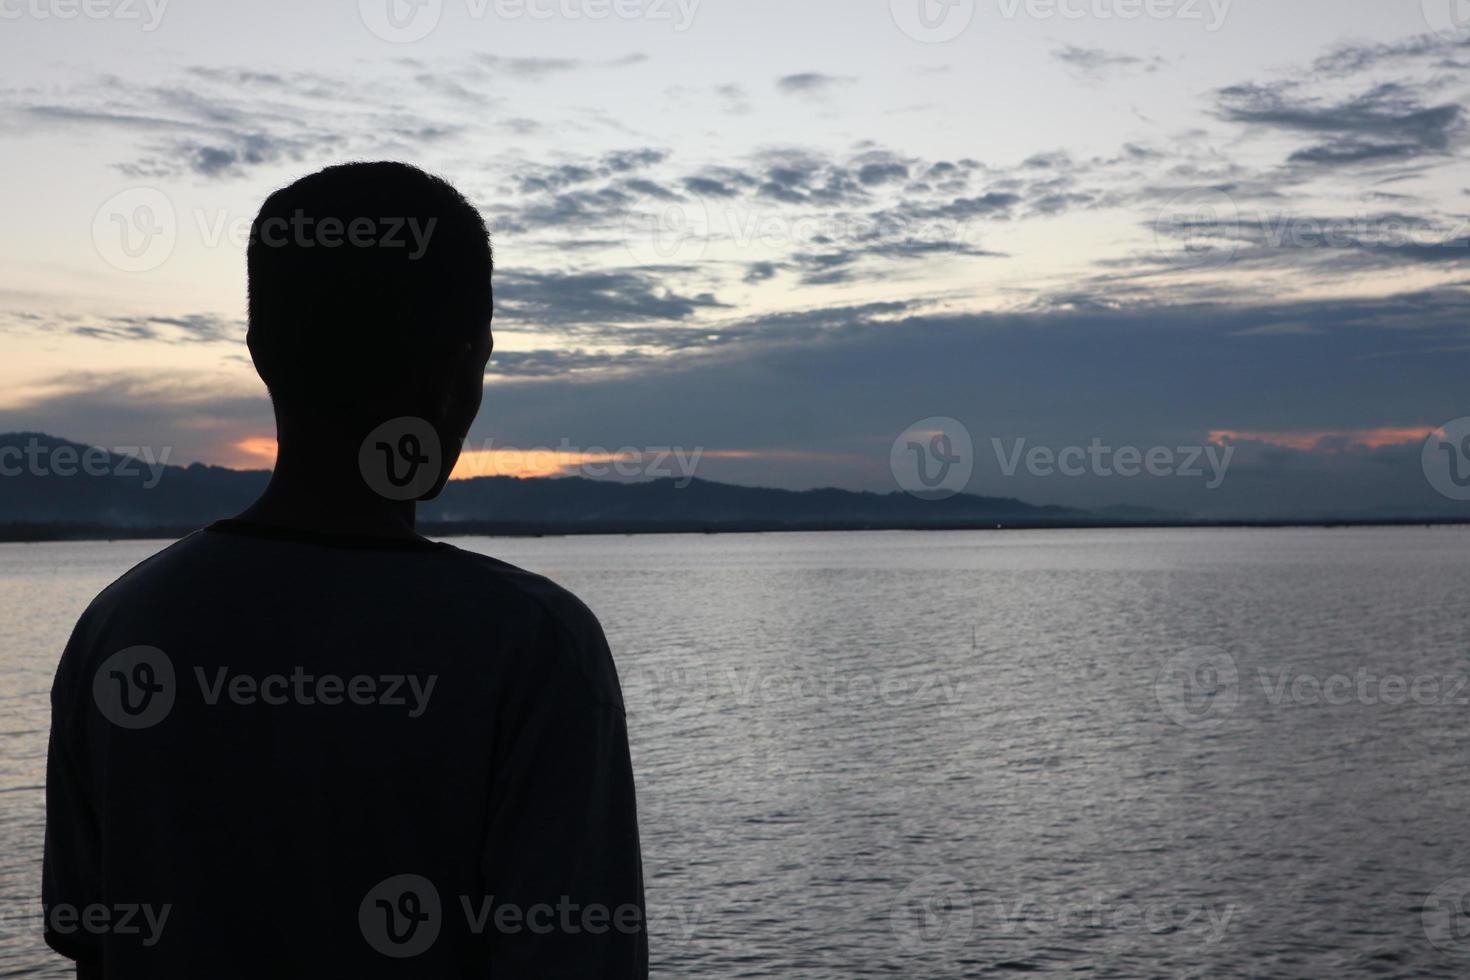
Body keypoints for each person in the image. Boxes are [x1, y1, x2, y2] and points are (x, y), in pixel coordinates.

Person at [43, 162, 647, 978]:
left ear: (259, 353)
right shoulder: (534, 647)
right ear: (465, 364)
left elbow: (96, 952)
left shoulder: (118, 629)